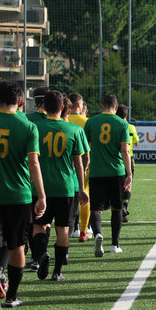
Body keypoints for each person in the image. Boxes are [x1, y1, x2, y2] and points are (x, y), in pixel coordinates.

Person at [0, 80, 46, 309]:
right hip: (19, 196)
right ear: (21, 102)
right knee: (18, 247)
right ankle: (11, 297)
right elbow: (33, 164)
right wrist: (42, 195)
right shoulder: (27, 125)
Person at [31, 91, 89, 282]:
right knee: (63, 229)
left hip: (40, 189)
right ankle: (57, 272)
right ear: (63, 107)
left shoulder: (34, 128)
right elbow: (79, 164)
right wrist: (81, 189)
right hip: (65, 188)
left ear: (44, 107)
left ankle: (41, 256)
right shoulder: (74, 130)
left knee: (39, 226)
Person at [84, 94, 132, 257]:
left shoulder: (91, 122)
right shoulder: (122, 123)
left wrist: (86, 163)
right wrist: (129, 173)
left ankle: (97, 233)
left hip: (96, 171)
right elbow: (125, 151)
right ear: (116, 107)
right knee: (116, 208)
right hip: (116, 172)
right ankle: (114, 244)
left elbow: (84, 147)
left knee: (96, 207)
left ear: (102, 105)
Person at [68, 93, 92, 242]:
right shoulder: (87, 122)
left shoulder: (63, 119)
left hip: (63, 163)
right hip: (83, 163)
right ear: (79, 105)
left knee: (68, 196)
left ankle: (70, 228)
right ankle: (83, 231)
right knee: (84, 194)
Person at [116, 104, 140, 222]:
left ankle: (119, 209)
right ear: (126, 115)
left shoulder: (113, 126)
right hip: (128, 158)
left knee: (118, 186)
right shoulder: (131, 127)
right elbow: (136, 142)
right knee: (128, 185)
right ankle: (124, 207)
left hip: (116, 158)